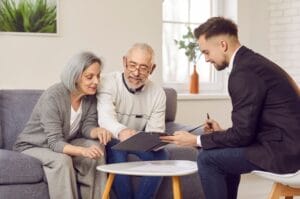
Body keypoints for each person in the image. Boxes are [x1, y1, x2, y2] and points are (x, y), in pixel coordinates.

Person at [161, 16, 300, 199]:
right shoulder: (252, 63)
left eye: (206, 52)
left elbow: (242, 135)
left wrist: (195, 140)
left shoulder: (243, 73)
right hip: (287, 145)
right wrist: (222, 132)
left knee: (207, 159)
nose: (206, 59)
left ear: (223, 45)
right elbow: (248, 129)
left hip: (286, 153)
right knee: (218, 153)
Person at [13, 52, 113, 199]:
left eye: (98, 76)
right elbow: (54, 142)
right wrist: (82, 151)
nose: (96, 81)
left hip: (63, 143)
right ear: (75, 76)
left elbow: (87, 127)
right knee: (62, 160)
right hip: (34, 146)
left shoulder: (89, 96)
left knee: (96, 150)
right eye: (89, 76)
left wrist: (97, 131)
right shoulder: (53, 97)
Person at [97, 43, 168, 199]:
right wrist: (122, 132)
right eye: (132, 65)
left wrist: (155, 140)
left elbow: (154, 130)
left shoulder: (158, 93)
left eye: (143, 68)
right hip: (113, 139)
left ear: (152, 69)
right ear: (124, 62)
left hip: (139, 142)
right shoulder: (107, 82)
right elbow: (105, 118)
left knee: (162, 156)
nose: (136, 73)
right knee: (117, 151)